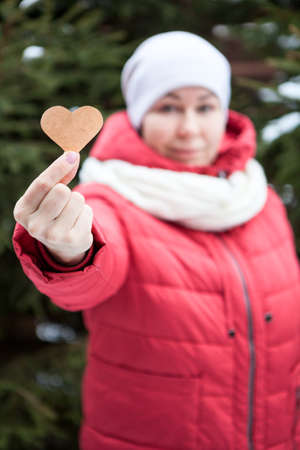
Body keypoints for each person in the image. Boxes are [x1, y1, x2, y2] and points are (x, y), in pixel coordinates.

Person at [13, 31, 300, 450]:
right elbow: (92, 268)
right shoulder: (110, 198)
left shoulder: (259, 199)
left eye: (205, 107)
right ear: (139, 115)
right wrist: (69, 248)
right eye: (168, 107)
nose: (189, 129)